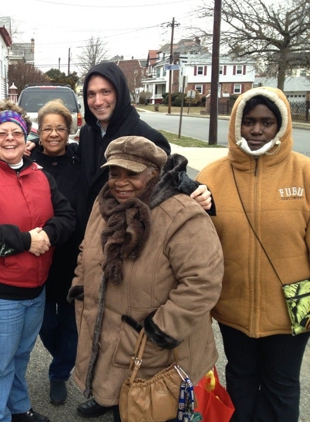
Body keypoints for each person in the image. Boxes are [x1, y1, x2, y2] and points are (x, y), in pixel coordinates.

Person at [74, 61, 213, 418]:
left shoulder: (174, 209)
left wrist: (199, 195)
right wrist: (81, 287)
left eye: (106, 92)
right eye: (91, 93)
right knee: (113, 367)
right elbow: (88, 241)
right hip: (110, 279)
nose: (98, 99)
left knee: (144, 399)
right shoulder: (89, 136)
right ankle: (105, 394)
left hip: (150, 330)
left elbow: (173, 181)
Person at [0, 101, 76, 422]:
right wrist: (26, 241)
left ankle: (19, 409)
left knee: (19, 356)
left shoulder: (40, 175)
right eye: (1, 133)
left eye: (16, 132)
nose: (10, 138)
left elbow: (66, 215)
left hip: (33, 292)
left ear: (26, 137)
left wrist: (46, 235)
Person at [196, 86, 310, 422]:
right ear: (236, 125)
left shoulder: (304, 172)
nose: (257, 130)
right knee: (241, 381)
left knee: (282, 386)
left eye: (267, 122)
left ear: (281, 126)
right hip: (234, 304)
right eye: (248, 122)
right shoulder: (211, 177)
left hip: (297, 306)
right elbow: (198, 246)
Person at [29, 99, 84, 406]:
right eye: (47, 128)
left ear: (69, 131)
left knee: (73, 327)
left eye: (60, 128)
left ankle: (59, 373)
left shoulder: (80, 160)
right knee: (46, 324)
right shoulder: (27, 158)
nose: (53, 134)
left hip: (76, 257)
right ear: (39, 130)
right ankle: (61, 359)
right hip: (41, 255)